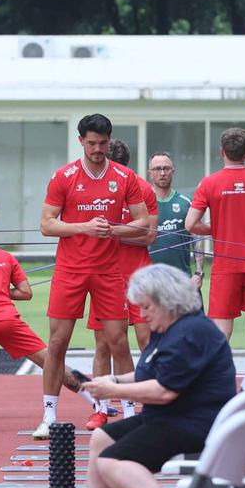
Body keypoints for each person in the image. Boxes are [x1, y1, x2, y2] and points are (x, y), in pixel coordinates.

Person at [50, 264, 235, 488]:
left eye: (147, 307)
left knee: (111, 462)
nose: (143, 314)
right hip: (177, 415)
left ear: (167, 301)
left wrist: (112, 390)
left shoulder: (190, 332)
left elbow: (163, 391)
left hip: (194, 422)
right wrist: (112, 379)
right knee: (102, 439)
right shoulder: (172, 326)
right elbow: (150, 372)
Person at [38, 114, 149, 441]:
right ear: (81, 141)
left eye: (103, 143)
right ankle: (48, 415)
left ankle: (129, 414)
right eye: (91, 143)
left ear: (109, 141)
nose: (97, 149)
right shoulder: (64, 176)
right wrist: (83, 227)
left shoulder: (124, 177)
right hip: (70, 270)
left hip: (108, 271)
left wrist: (115, 229)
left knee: (118, 342)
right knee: (57, 343)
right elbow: (47, 224)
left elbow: (143, 222)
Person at [0, 213, 98, 429]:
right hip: (9, 321)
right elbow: (26, 293)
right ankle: (94, 399)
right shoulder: (7, 257)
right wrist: (2, 291)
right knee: (51, 362)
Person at [185, 127, 245, 357]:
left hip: (226, 267)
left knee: (220, 332)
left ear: (221, 152)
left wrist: (215, 229)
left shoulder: (209, 183)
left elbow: (190, 224)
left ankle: (216, 385)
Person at [85, 138, 159, 429]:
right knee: (104, 345)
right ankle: (100, 408)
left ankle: (148, 406)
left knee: (146, 343)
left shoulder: (141, 188)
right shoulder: (91, 190)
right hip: (104, 274)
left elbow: (150, 236)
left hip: (139, 277)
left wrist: (113, 232)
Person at [147, 151, 204, 284]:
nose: (162, 173)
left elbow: (198, 240)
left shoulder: (186, 203)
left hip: (182, 280)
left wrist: (199, 273)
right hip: (150, 283)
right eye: (157, 169)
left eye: (166, 168)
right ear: (149, 173)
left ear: (173, 171)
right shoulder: (141, 204)